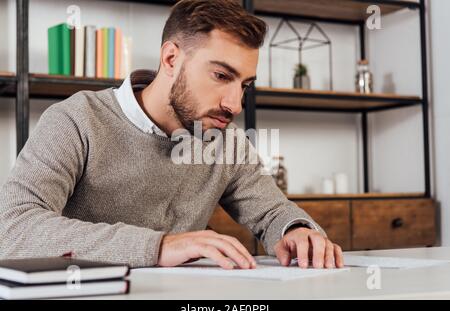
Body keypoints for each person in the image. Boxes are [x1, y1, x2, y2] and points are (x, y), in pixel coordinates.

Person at [0, 0, 343, 270]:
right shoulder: (76, 121)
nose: (235, 104)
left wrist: (296, 232)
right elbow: (13, 228)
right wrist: (160, 246)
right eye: (222, 75)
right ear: (170, 58)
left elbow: (272, 212)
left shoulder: (224, 140)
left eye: (245, 85)